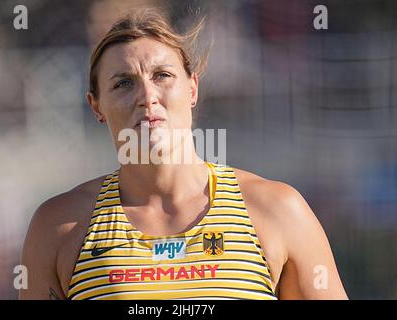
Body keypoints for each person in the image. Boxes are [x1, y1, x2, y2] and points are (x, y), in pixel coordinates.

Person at [19, 7, 348, 300]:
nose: (147, 96)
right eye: (123, 83)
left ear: (192, 89)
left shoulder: (277, 211)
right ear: (96, 106)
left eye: (162, 76)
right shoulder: (57, 228)